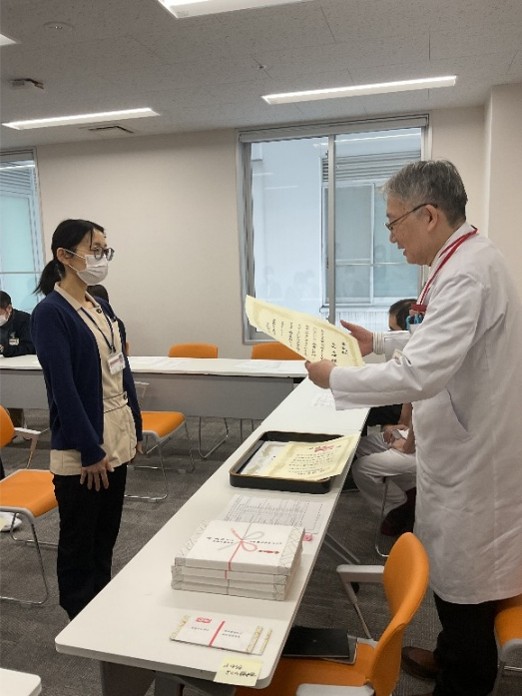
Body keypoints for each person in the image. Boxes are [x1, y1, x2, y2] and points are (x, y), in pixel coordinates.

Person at [306, 160, 522, 696]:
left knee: (468, 586)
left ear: (428, 215)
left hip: (476, 464)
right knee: (454, 578)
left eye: (393, 221)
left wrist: (335, 377)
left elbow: (420, 372)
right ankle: (449, 655)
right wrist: (377, 341)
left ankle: (463, 681)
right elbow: (437, 339)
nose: (391, 236)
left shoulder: (468, 272)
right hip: (460, 452)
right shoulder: (461, 261)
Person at [31, 219, 142, 620]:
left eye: (104, 250)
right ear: (64, 256)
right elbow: (64, 390)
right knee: (79, 539)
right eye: (94, 249)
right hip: (84, 446)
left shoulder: (100, 305)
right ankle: (79, 615)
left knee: (105, 533)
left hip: (116, 431)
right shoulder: (50, 313)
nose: (101, 258)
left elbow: (121, 369)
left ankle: (102, 606)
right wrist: (90, 450)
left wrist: (136, 424)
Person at [353, 401, 416, 536]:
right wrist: (398, 426)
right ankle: (406, 493)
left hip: (427, 448)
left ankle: (398, 506)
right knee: (358, 447)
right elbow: (410, 400)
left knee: (361, 469)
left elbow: (426, 418)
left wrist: (406, 446)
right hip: (410, 434)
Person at [0, 290, 36, 429]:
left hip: (23, 366)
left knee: (13, 392)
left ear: (9, 308)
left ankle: (17, 426)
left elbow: (30, 346)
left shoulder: (24, 320)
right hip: (3, 365)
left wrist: (7, 350)